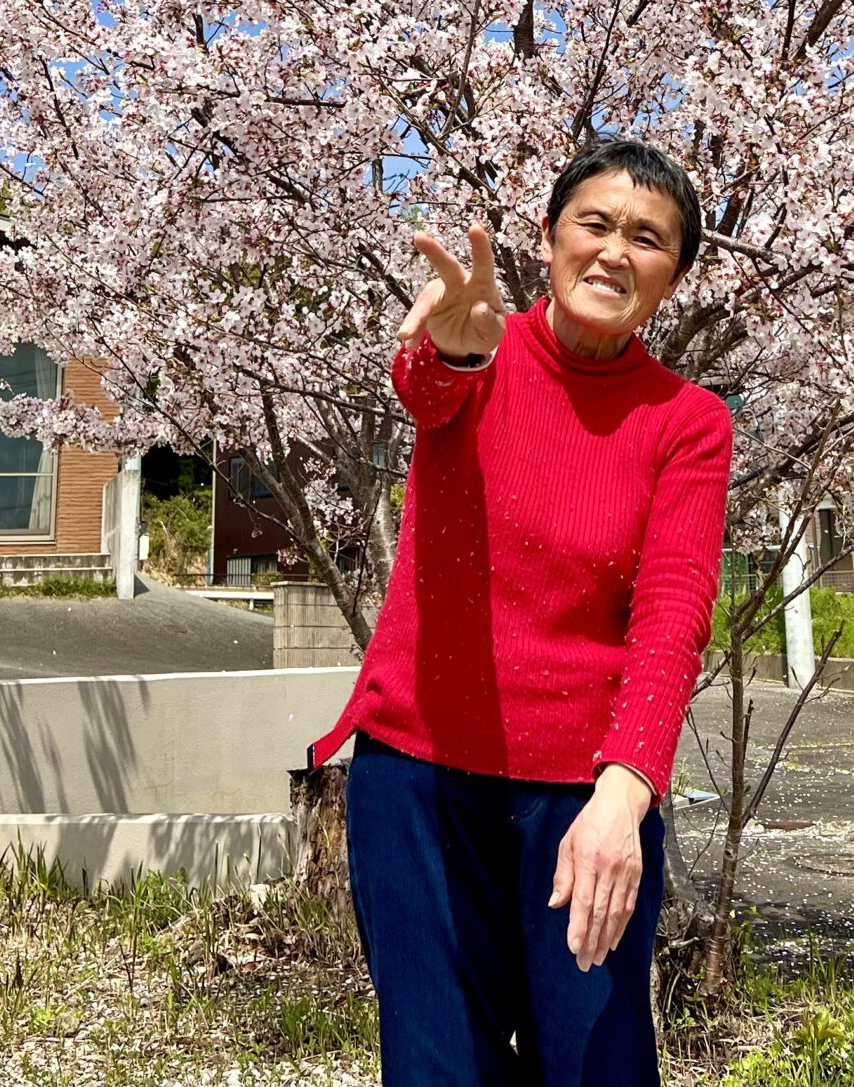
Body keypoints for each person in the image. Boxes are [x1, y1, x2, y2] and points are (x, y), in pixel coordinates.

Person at [310, 140, 734, 1086]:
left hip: (587, 794)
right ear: (547, 240)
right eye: (595, 224)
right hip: (417, 777)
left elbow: (673, 610)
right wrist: (452, 348)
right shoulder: (480, 355)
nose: (616, 251)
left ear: (675, 274)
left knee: (596, 1067)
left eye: (649, 238)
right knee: (436, 1070)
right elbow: (427, 386)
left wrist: (623, 801)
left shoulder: (687, 421)